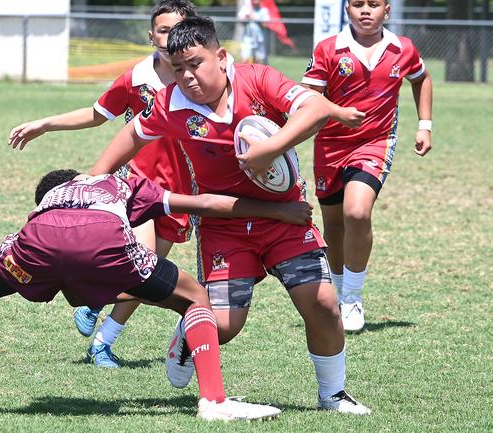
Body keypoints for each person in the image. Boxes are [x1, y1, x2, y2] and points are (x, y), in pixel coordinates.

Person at [0, 169, 317, 419]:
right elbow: (207, 204)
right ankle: (214, 401)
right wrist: (283, 213)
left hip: (38, 242)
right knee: (194, 298)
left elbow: (51, 244)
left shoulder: (50, 199)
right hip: (105, 244)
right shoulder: (122, 183)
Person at [90, 16, 371, 414]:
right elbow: (134, 133)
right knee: (224, 326)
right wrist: (94, 179)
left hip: (286, 217)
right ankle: (190, 334)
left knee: (322, 303)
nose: (187, 76)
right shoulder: (171, 103)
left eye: (195, 64)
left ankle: (333, 394)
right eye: (178, 68)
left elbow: (315, 108)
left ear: (221, 57)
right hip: (225, 226)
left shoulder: (257, 79)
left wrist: (270, 149)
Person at [8, 0, 198, 368]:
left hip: (180, 191)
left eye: (177, 30)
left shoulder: (198, 78)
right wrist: (46, 123)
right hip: (136, 186)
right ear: (151, 35)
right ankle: (95, 305)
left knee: (150, 271)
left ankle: (102, 340)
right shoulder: (136, 78)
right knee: (139, 267)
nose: (169, 37)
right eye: (163, 30)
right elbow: (97, 113)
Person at [301, 0, 433, 332]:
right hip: (330, 147)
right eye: (358, 4)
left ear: (386, 10)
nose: (365, 11)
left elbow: (421, 78)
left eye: (373, 4)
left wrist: (425, 124)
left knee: (357, 213)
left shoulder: (402, 49)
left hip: (374, 143)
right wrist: (338, 112)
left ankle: (352, 298)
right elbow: (306, 96)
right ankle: (340, 290)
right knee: (333, 224)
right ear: (347, 10)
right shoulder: (329, 49)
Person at [238, 0, 270, 64]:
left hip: (259, 39)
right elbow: (240, 22)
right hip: (247, 39)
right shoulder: (245, 9)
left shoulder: (264, 10)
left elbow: (265, 24)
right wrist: (247, 15)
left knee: (258, 61)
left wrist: (254, 17)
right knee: (244, 60)